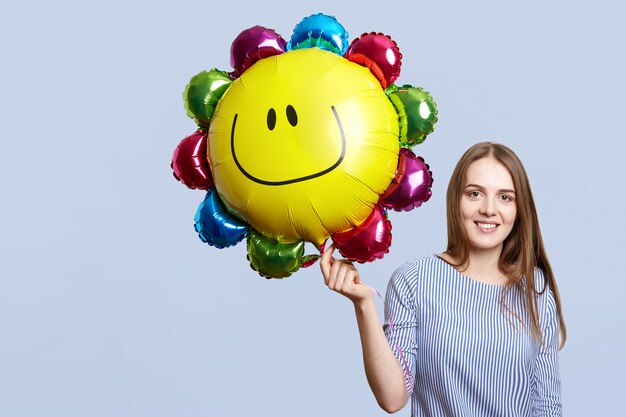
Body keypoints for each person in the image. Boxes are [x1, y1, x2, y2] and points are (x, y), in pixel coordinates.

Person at [320, 142, 566, 416]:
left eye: (505, 197)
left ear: (520, 209)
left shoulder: (535, 288)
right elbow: (392, 398)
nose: (488, 209)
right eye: (475, 194)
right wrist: (364, 304)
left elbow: (547, 405)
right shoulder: (414, 280)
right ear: (455, 200)